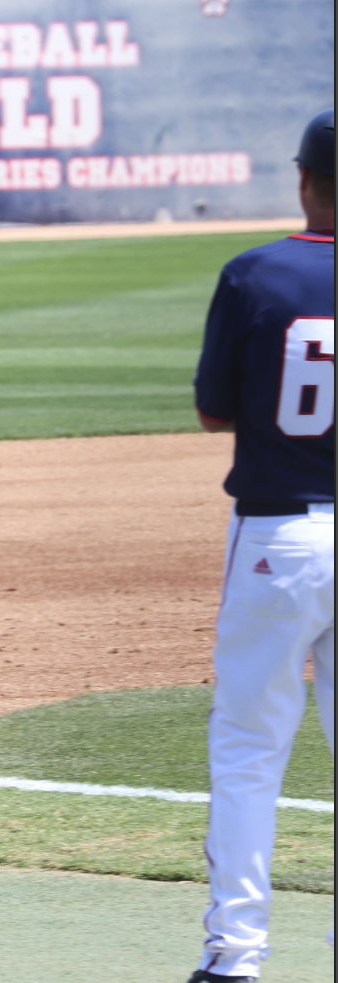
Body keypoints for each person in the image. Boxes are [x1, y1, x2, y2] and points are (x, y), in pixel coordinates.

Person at [186, 109, 334, 982]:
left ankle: (234, 957)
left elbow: (213, 408)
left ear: (304, 179)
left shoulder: (256, 273)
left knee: (248, 752)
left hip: (279, 533)